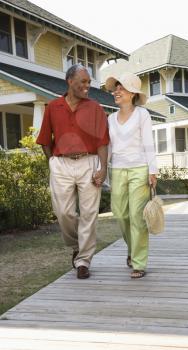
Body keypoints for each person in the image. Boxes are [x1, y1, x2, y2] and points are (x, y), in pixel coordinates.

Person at [36, 64, 109, 279]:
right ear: (70, 81)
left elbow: (103, 141)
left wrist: (103, 168)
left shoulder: (95, 108)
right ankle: (77, 244)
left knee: (89, 213)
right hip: (61, 164)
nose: (87, 86)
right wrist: (53, 163)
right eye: (83, 81)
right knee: (64, 212)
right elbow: (44, 141)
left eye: (89, 82)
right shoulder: (53, 107)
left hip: (89, 162)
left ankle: (83, 260)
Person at [106, 72, 158, 279]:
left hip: (139, 169)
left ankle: (139, 262)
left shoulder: (142, 114)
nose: (116, 90)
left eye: (121, 87)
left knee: (137, 216)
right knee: (120, 214)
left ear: (133, 93)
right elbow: (109, 147)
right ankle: (131, 249)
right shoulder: (110, 118)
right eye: (115, 87)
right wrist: (101, 169)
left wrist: (152, 170)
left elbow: (148, 143)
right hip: (117, 170)